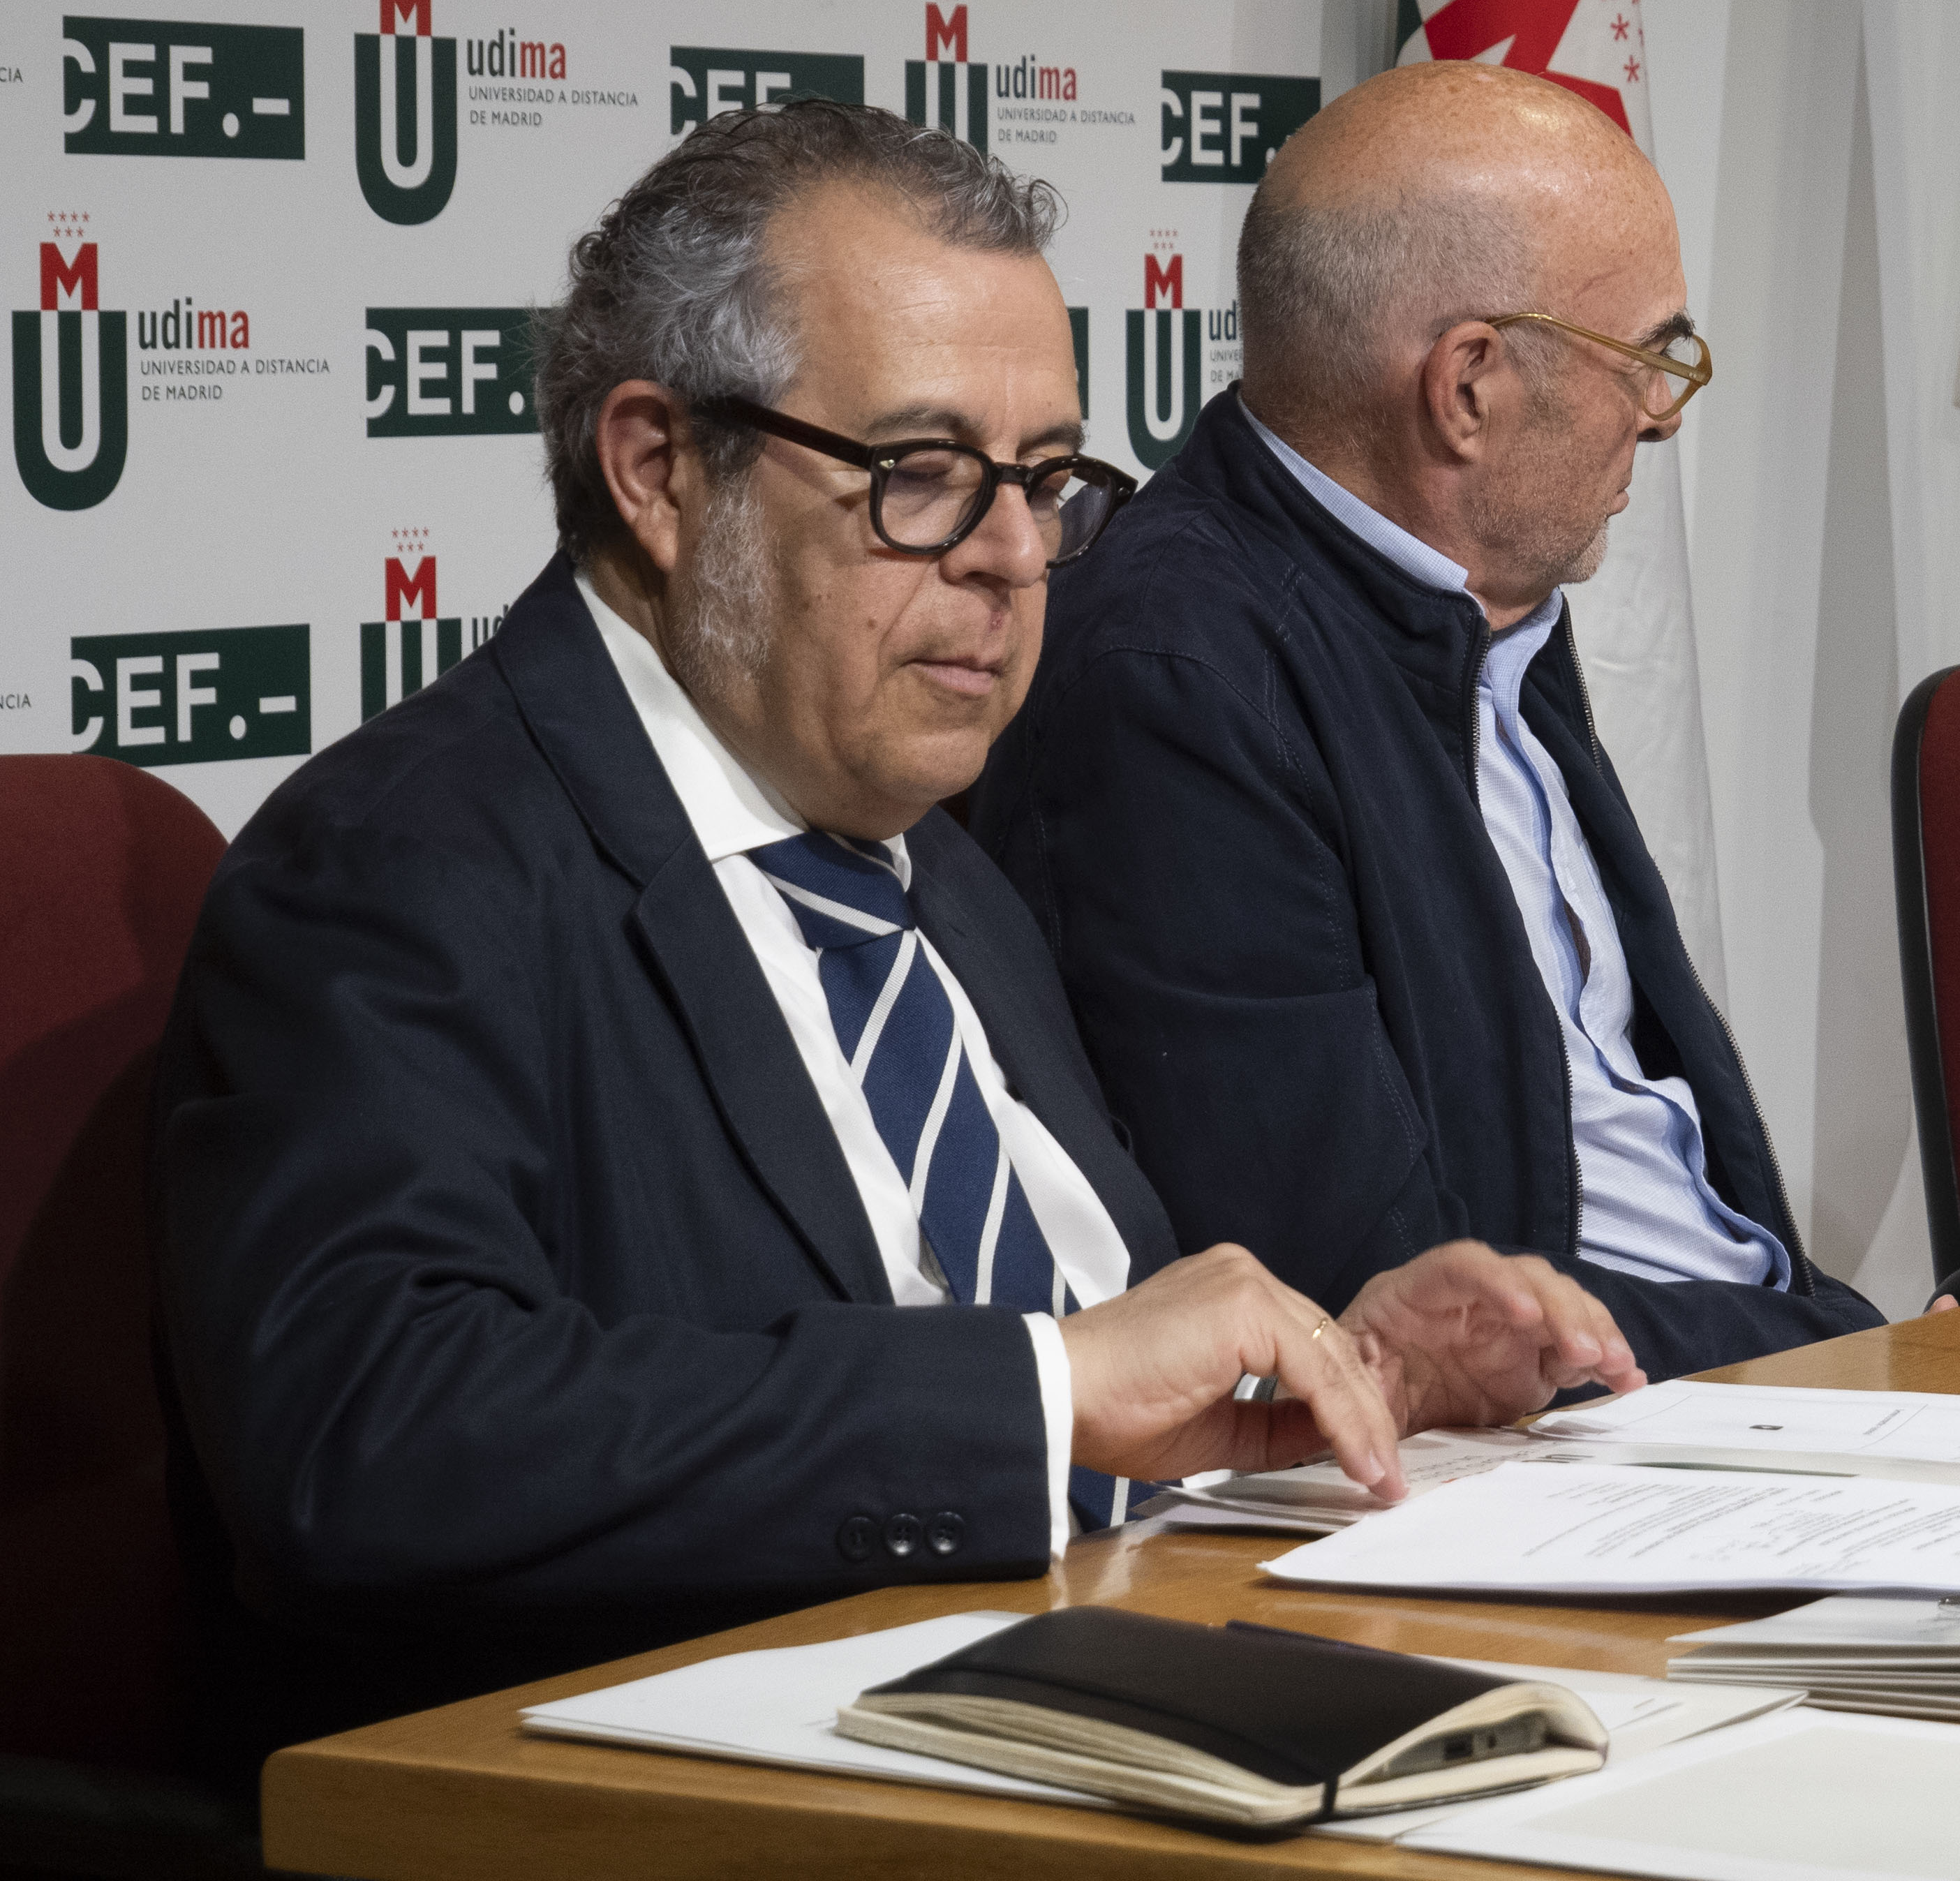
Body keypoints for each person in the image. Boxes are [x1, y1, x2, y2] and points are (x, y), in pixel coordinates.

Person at [151, 103, 1640, 1767]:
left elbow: (1091, 1367)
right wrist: (1041, 1392)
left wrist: (1331, 1374)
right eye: (920, 476)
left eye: (1046, 481)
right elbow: (369, 1435)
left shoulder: (936, 860)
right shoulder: (404, 867)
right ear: (659, 471)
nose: (1012, 559)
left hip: (1128, 1701)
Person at [967, 63, 1882, 1376]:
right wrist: (1842, 1346)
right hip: (1574, 1441)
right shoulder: (1173, 682)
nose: (1660, 415)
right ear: (1467, 388)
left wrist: (1852, 1342)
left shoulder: (1485, 608)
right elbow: (1368, 1293)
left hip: (1735, 1370)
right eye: (1647, 359)